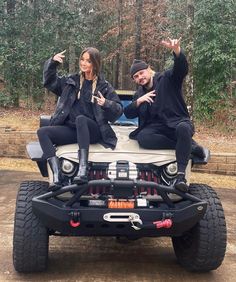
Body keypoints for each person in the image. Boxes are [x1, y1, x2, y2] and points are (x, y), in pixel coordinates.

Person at [124, 38, 205, 193]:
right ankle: (189, 146)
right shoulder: (139, 94)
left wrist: (177, 51)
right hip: (157, 129)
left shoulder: (167, 78)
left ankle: (180, 176)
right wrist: (138, 102)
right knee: (143, 138)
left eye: (141, 73)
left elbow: (181, 69)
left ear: (148, 69)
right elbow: (127, 114)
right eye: (136, 76)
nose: (140, 77)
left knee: (183, 128)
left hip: (177, 122)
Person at [38, 47, 123, 188]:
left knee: (81, 119)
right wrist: (52, 63)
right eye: (82, 60)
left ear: (95, 64)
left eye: (88, 61)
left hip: (93, 131)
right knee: (43, 132)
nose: (83, 63)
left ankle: (83, 169)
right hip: (74, 130)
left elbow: (119, 110)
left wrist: (106, 103)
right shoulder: (71, 81)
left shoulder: (104, 86)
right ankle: (57, 175)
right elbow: (49, 82)